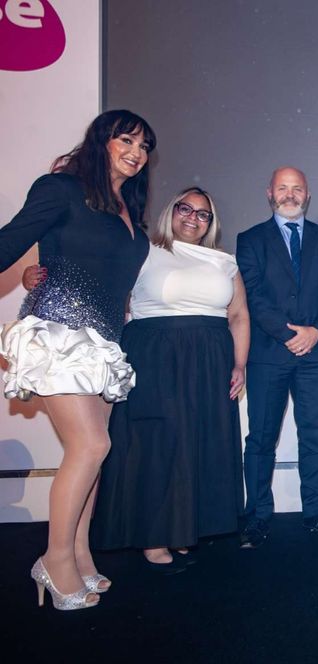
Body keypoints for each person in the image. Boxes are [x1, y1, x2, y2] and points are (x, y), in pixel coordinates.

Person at [0, 110, 155, 609]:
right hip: (59, 333)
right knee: (90, 445)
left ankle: (80, 555)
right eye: (125, 139)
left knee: (96, 451)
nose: (136, 151)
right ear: (101, 141)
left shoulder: (127, 209)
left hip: (104, 344)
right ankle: (53, 559)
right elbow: (11, 239)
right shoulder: (62, 188)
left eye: (144, 145)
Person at [87, 187, 249, 571]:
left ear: (212, 224)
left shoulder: (224, 261)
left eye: (203, 214)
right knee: (158, 443)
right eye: (185, 209)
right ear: (170, 212)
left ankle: (186, 529)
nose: (193, 218)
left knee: (198, 442)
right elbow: (114, 298)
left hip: (210, 361)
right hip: (155, 356)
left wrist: (239, 363)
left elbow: (239, 315)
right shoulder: (143, 251)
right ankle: (153, 534)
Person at [236, 167, 318, 547]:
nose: (290, 194)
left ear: (307, 194)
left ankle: (315, 512)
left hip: (316, 354)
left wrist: (315, 333)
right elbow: (253, 296)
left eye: (296, 188)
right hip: (269, 355)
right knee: (261, 439)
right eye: (282, 188)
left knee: (315, 437)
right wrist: (289, 335)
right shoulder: (249, 240)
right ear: (269, 192)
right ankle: (257, 516)